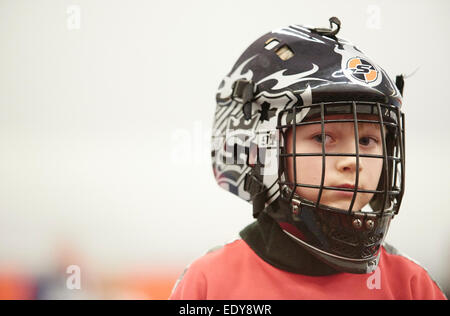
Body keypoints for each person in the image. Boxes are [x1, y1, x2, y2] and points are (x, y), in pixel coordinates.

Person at [169, 18, 447, 300]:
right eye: (323, 138)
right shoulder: (211, 283)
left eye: (367, 141)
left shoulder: (410, 285)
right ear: (262, 150)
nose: (353, 161)